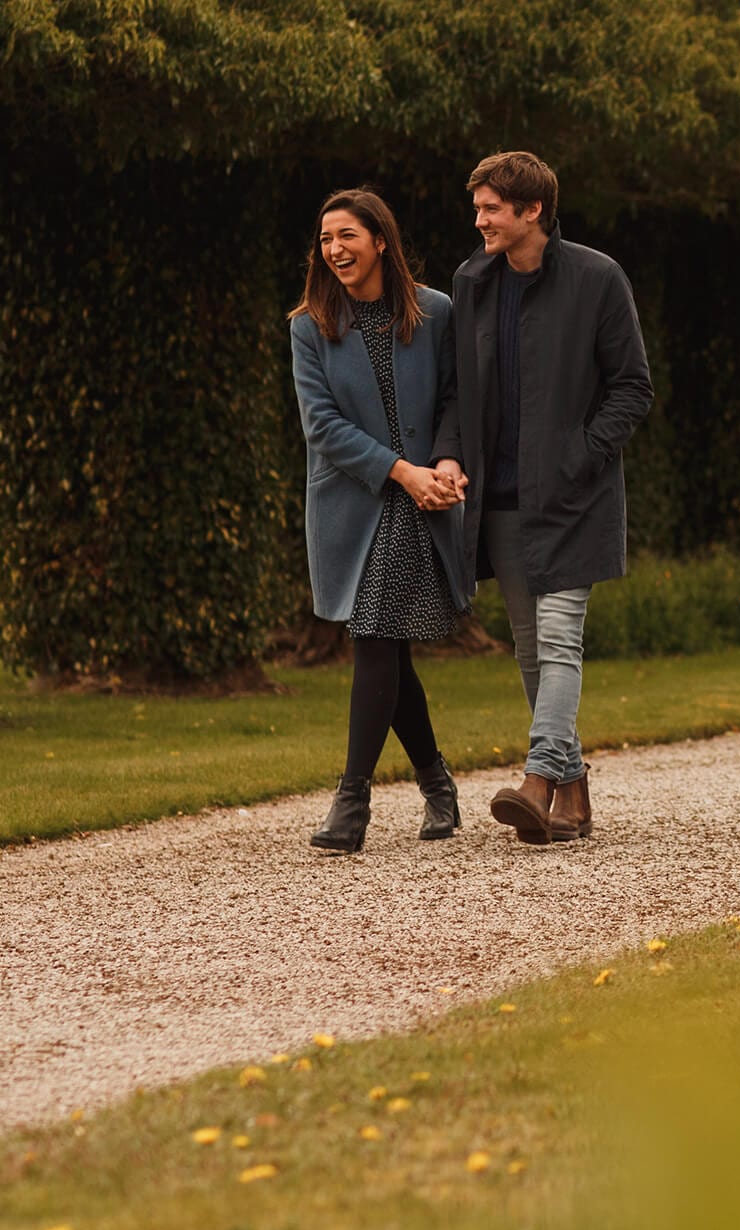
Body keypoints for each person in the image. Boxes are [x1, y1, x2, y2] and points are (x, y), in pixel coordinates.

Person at [431, 151, 653, 845]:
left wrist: (576, 457)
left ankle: (538, 778)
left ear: (532, 211)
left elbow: (632, 388)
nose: (480, 220)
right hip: (498, 502)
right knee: (532, 651)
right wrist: (449, 455)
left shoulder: (597, 278)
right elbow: (458, 388)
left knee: (558, 641)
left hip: (572, 497)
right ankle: (574, 798)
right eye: (478, 208)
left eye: (491, 208)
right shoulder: (471, 281)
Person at [289, 188, 469, 853]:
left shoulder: (435, 312)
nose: (334, 249)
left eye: (347, 236)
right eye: (326, 239)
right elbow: (323, 428)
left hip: (423, 505)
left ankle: (352, 801)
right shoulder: (309, 325)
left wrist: (445, 459)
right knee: (385, 643)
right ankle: (436, 781)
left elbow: (456, 398)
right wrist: (403, 471)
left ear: (381, 242)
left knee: (375, 637)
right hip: (361, 500)